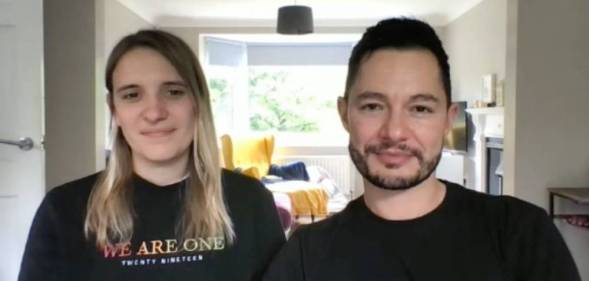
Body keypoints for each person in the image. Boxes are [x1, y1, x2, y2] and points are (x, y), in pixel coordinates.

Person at [263, 18, 581, 281]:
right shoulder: (305, 256)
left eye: (420, 109)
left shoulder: (520, 233)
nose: (395, 131)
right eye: (373, 106)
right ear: (345, 114)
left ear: (448, 120)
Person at [19, 29, 285, 281]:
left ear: (198, 103)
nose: (155, 112)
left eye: (173, 92)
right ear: (115, 111)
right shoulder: (64, 209)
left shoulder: (250, 201)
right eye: (132, 95)